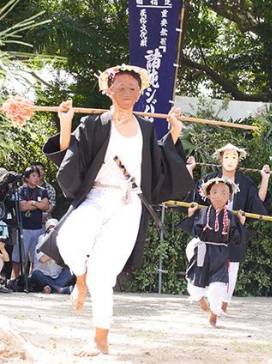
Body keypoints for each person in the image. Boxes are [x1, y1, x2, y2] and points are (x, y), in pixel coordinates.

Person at [40, 64, 194, 357]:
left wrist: (174, 133)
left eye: (132, 88)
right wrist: (65, 123)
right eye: (120, 87)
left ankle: (100, 338)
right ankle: (79, 277)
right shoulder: (94, 124)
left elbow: (161, 165)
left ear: (140, 92)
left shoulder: (147, 128)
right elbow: (70, 157)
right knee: (69, 238)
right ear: (108, 90)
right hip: (97, 196)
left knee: (104, 272)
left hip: (128, 202)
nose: (126, 92)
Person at [187, 143, 270, 313]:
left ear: (239, 160)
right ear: (220, 159)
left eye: (234, 157)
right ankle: (199, 297)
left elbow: (257, 202)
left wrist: (265, 178)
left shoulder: (245, 183)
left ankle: (223, 305)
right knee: (197, 256)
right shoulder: (210, 178)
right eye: (227, 157)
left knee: (231, 268)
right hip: (209, 229)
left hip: (231, 228)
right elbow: (194, 196)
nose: (230, 160)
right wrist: (190, 170)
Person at [179, 177, 249, 328]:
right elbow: (194, 230)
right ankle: (200, 301)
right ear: (208, 195)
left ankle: (214, 315)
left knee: (218, 286)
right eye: (215, 192)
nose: (219, 195)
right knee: (196, 282)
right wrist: (191, 214)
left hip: (221, 253)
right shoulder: (203, 212)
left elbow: (236, 238)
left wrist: (241, 222)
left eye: (224, 192)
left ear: (229, 196)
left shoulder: (231, 217)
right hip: (203, 251)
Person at [12, 166, 50, 279]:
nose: (36, 178)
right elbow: (23, 207)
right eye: (33, 175)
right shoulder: (21, 190)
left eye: (38, 176)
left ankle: (32, 278)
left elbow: (46, 206)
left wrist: (32, 203)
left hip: (38, 228)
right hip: (23, 227)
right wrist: (38, 204)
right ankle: (16, 278)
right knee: (18, 256)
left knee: (35, 257)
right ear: (27, 178)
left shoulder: (42, 191)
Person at [30, 218, 75, 294]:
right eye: (50, 230)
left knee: (69, 271)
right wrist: (55, 248)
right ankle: (59, 289)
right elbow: (43, 259)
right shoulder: (41, 241)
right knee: (36, 274)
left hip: (57, 277)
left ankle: (51, 288)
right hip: (44, 276)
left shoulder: (62, 242)